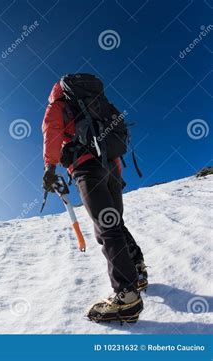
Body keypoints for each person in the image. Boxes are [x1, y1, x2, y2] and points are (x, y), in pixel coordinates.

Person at [41, 78, 148, 323]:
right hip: (111, 167)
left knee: (106, 229)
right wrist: (116, 176)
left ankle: (127, 297)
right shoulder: (97, 103)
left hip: (86, 168)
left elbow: (52, 131)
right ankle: (138, 270)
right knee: (114, 224)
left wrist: (50, 167)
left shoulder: (58, 105)